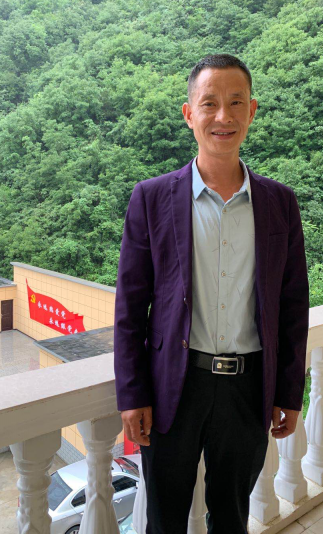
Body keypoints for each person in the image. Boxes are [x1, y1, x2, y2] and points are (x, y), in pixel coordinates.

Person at [113, 53, 309, 533]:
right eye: (209, 103)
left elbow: (292, 306)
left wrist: (289, 391)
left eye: (236, 102)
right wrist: (132, 393)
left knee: (233, 517)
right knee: (164, 520)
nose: (223, 116)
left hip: (249, 387)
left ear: (252, 111)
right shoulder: (151, 198)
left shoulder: (280, 203)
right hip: (173, 387)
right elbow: (130, 308)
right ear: (189, 114)